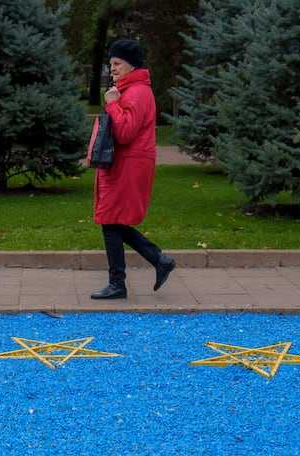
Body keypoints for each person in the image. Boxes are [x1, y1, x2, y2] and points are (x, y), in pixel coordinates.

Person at [91, 39, 174, 300]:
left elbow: (125, 133)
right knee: (112, 220)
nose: (112, 68)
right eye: (111, 63)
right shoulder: (130, 89)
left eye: (117, 63)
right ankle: (158, 259)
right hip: (124, 164)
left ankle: (119, 284)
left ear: (132, 64)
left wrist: (113, 104)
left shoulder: (136, 92)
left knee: (109, 220)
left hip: (128, 165)